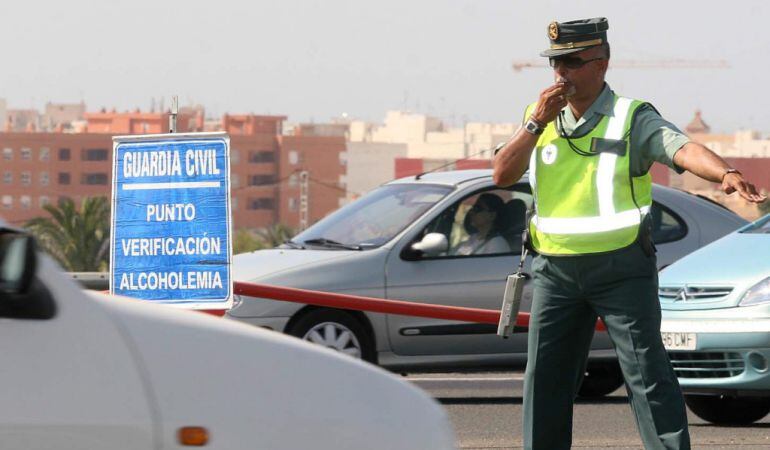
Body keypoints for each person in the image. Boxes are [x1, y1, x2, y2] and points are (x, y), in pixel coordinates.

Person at [492, 17, 766, 450]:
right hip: (554, 272)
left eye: (572, 62)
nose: (560, 73)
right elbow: (502, 174)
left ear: (601, 64)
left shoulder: (631, 118)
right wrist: (534, 125)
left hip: (620, 268)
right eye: (556, 63)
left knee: (646, 375)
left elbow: (682, 148)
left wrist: (725, 173)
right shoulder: (538, 117)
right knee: (545, 380)